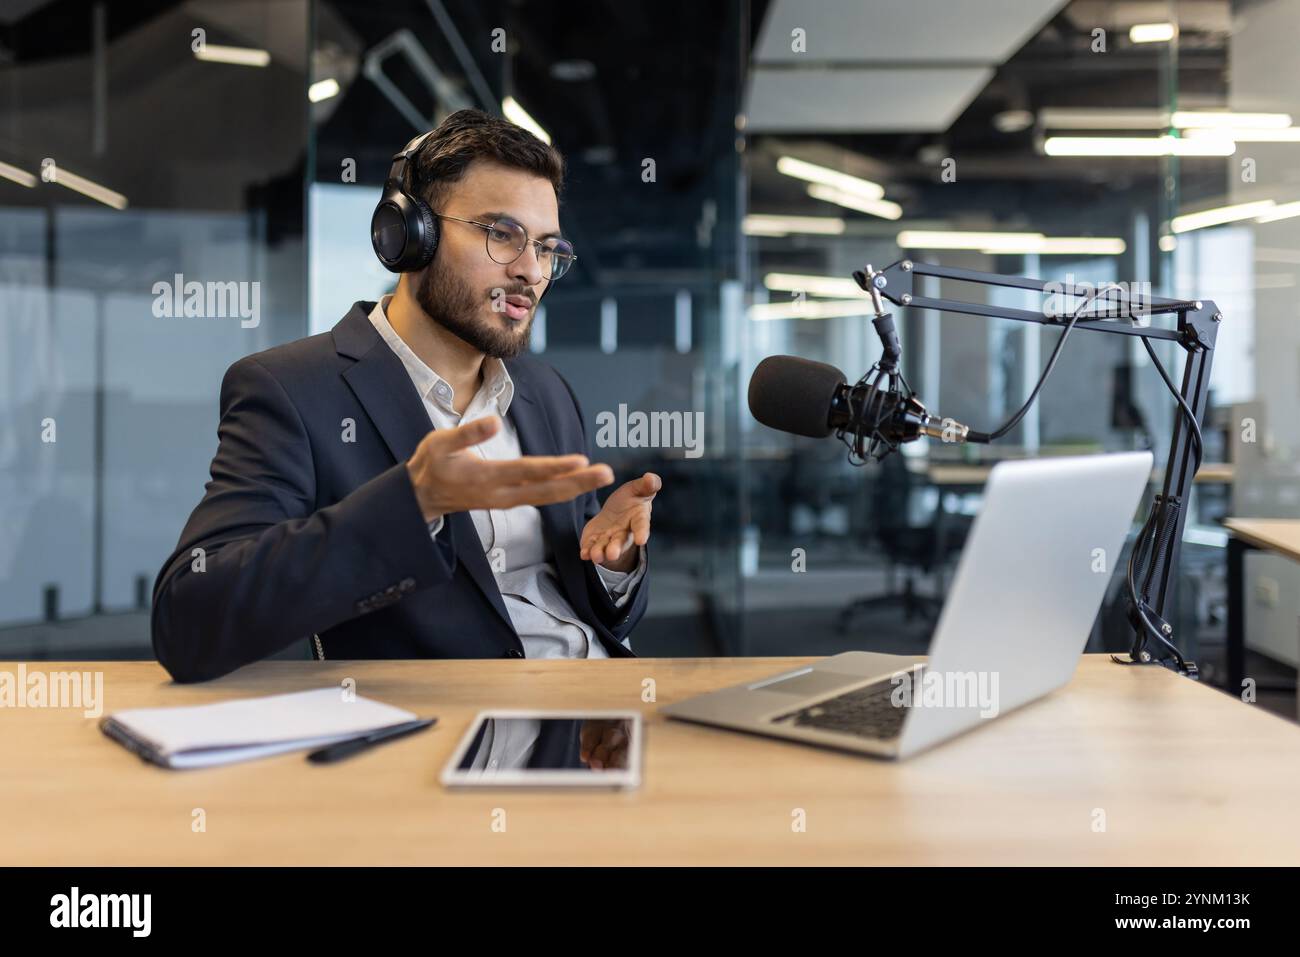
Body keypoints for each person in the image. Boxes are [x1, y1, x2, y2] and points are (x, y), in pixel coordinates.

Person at [152, 109, 658, 683]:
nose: (529, 271)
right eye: (501, 234)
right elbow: (189, 621)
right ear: (409, 234)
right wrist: (411, 506)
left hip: (595, 718)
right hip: (446, 740)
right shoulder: (292, 391)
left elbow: (594, 612)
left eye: (546, 248)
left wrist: (613, 561)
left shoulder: (546, 393)